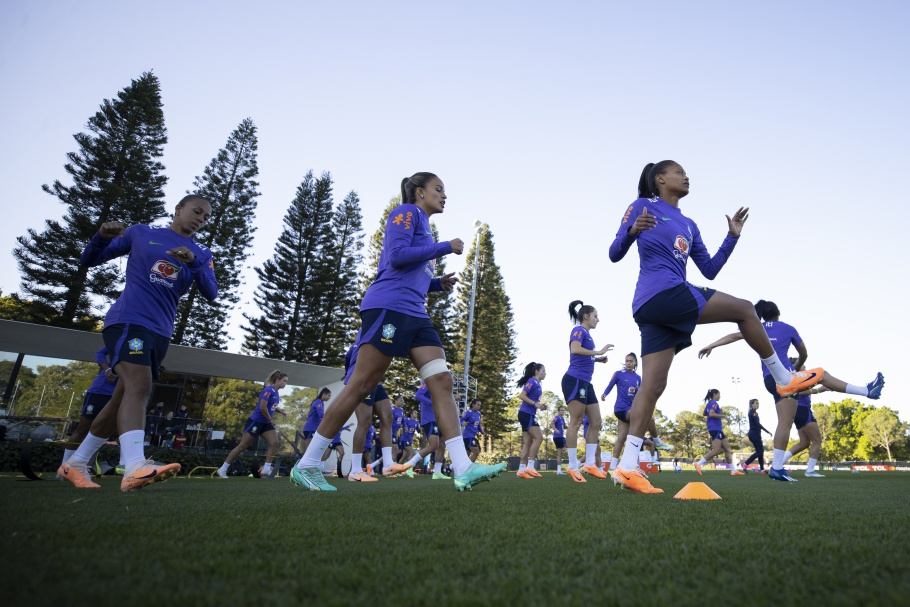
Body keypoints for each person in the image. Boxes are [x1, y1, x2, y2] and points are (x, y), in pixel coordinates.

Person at [607, 161, 823, 494]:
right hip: (659, 295)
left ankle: (627, 466)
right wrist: (633, 231)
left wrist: (732, 237)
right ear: (660, 178)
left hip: (659, 309)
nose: (686, 176)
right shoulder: (643, 206)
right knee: (745, 309)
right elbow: (614, 252)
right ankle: (783, 378)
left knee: (653, 386)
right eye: (678, 172)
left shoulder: (690, 225)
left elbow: (709, 269)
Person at [290, 173, 506, 491]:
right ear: (419, 193)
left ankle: (462, 467)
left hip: (415, 314)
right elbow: (396, 257)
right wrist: (444, 247)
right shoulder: (406, 212)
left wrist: (435, 284)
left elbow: (411, 271)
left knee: (443, 382)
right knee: (360, 384)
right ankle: (308, 464)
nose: (444, 196)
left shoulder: (423, 223)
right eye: (438, 190)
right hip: (390, 308)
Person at [59, 194, 217, 491]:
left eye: (206, 217)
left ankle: (76, 463)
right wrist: (101, 237)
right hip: (128, 321)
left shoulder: (202, 253)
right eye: (196, 211)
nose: (200, 219)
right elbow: (89, 259)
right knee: (141, 388)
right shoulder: (141, 233)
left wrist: (194, 262)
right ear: (178, 209)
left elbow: (211, 292)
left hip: (160, 332)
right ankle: (134, 466)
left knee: (121, 397)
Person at [698, 299, 884, 481]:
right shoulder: (787, 328)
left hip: (769, 380)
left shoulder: (756, 326)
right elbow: (804, 353)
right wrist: (797, 366)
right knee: (821, 374)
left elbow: (733, 336)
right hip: (785, 377)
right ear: (778, 314)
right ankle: (866, 391)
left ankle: (777, 468)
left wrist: (711, 345)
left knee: (784, 422)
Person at [562, 301, 612, 483]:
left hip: (586, 382)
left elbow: (581, 356)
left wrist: (597, 359)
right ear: (586, 316)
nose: (598, 319)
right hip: (574, 380)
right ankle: (573, 466)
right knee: (575, 422)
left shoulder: (587, 335)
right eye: (595, 316)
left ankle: (590, 464)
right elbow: (574, 349)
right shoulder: (579, 331)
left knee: (596, 422)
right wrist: (597, 352)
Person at [217, 370, 289, 479]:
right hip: (256, 421)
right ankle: (223, 469)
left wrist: (281, 411)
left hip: (265, 423)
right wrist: (270, 419)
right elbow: (262, 407)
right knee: (243, 446)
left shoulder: (276, 392)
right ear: (277, 380)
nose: (285, 383)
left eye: (286, 381)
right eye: (284, 381)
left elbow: (272, 405)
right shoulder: (268, 390)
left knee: (274, 442)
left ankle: (266, 470)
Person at [59, 347, 118, 474]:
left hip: (119, 395)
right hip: (100, 392)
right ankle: (64, 469)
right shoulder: (120, 338)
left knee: (104, 432)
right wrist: (107, 369)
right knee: (83, 428)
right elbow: (100, 353)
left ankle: (81, 466)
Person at [782, 362, 828, 478]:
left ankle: (778, 462)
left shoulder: (794, 378)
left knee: (804, 443)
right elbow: (799, 391)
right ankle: (810, 471)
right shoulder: (797, 378)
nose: (805, 366)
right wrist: (819, 390)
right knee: (817, 440)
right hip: (803, 410)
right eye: (802, 365)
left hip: (799, 410)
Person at [693, 389, 745, 476]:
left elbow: (704, 413)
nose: (720, 396)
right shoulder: (714, 403)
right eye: (719, 394)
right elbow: (711, 414)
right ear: (715, 394)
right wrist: (724, 416)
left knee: (727, 449)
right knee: (717, 449)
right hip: (715, 429)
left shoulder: (709, 403)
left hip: (717, 429)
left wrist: (714, 415)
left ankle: (733, 470)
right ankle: (699, 464)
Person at [516, 362, 547, 478]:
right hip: (526, 414)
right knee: (539, 438)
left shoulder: (538, 384)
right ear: (537, 371)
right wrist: (536, 404)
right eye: (543, 371)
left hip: (528, 414)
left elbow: (534, 401)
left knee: (528, 442)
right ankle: (530, 466)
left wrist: (540, 406)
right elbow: (522, 396)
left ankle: (521, 470)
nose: (545, 373)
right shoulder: (532, 381)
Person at [741, 398, 772, 473]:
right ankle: (745, 464)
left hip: (755, 434)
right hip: (754, 434)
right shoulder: (753, 412)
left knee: (760, 451)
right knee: (760, 451)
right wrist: (767, 431)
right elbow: (758, 424)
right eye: (756, 403)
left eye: (758, 403)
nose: (758, 404)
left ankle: (762, 469)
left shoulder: (753, 412)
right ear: (752, 404)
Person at [297, 388, 331, 455]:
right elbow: (321, 415)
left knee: (313, 449)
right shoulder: (318, 402)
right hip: (310, 428)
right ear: (324, 394)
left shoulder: (320, 403)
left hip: (314, 429)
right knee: (310, 449)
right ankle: (305, 465)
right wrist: (330, 418)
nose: (329, 398)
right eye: (329, 396)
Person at [461, 398, 485, 463]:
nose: (479, 406)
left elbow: (478, 424)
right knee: (476, 452)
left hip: (472, 436)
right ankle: (468, 468)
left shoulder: (479, 414)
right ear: (473, 405)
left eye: (480, 405)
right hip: (468, 436)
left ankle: (453, 467)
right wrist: (462, 423)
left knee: (467, 454)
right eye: (478, 405)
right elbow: (460, 420)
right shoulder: (468, 412)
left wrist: (481, 431)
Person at [551, 405, 568, 475]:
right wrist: (555, 429)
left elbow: (564, 426)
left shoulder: (562, 419)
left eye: (563, 410)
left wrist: (571, 427)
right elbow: (551, 424)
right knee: (560, 453)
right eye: (561, 410)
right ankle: (559, 470)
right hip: (557, 437)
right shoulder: (557, 417)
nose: (563, 411)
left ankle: (559, 470)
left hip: (561, 437)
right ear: (558, 411)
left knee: (565, 450)